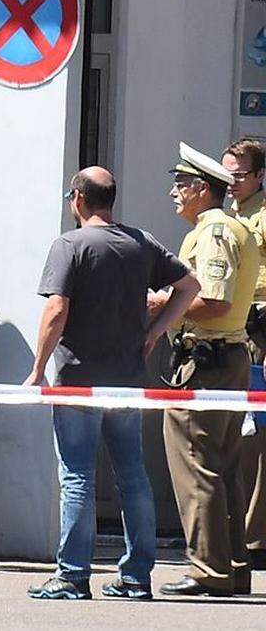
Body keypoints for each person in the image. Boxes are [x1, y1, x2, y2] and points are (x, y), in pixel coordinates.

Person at [22, 167, 200, 601]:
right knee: (133, 475)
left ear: (79, 198)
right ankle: (137, 577)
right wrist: (155, 331)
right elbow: (190, 285)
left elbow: (56, 310)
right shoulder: (140, 242)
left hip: (78, 380)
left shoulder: (70, 244)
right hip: (126, 380)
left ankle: (72, 576)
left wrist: (36, 367)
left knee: (78, 476)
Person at [148, 142, 260, 596]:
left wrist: (161, 303)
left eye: (180, 184)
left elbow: (213, 301)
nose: (173, 192)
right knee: (224, 465)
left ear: (200, 188)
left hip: (207, 359)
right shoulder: (227, 225)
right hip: (224, 358)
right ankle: (231, 565)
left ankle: (208, 569)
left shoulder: (213, 230)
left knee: (197, 465)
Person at [222, 137, 266, 569]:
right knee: (242, 433)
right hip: (237, 326)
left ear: (259, 176)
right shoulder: (230, 216)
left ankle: (256, 539)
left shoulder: (263, 217)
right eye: (227, 175)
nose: (231, 182)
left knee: (258, 434)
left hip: (260, 327)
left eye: (238, 176)